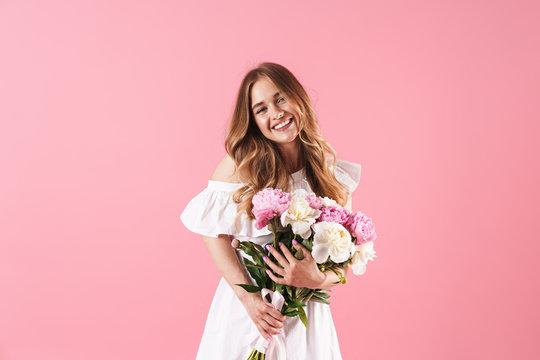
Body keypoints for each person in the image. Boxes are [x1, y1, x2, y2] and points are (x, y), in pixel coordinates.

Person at [180, 62, 362, 359]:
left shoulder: (328, 171)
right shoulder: (242, 164)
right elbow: (212, 232)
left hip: (305, 314)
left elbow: (344, 261)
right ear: (252, 120)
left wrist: (316, 279)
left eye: (280, 99)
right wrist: (248, 297)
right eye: (261, 109)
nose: (276, 113)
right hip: (253, 312)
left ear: (298, 98)